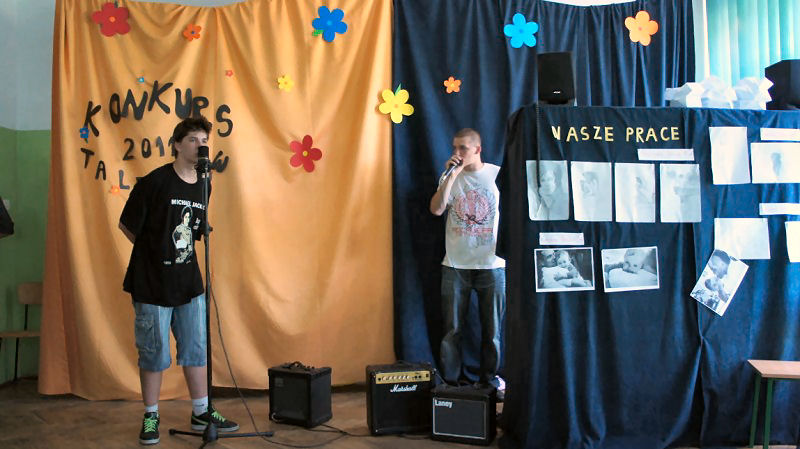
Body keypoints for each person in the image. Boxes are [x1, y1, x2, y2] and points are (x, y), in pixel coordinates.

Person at [119, 116, 238, 445]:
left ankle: (201, 412)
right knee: (154, 353)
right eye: (193, 140)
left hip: (189, 284)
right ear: (177, 145)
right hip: (152, 284)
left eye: (204, 140)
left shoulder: (204, 184)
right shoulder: (155, 182)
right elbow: (127, 225)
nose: (200, 146)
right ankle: (151, 415)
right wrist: (154, 254)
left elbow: (195, 228)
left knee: (196, 349)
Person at [429, 128, 506, 397]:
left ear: (478, 149)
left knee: (492, 331)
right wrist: (451, 176)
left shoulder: (497, 174)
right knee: (451, 330)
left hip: (491, 264)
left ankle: (489, 382)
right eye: (454, 147)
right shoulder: (450, 176)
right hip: (455, 264)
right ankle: (450, 385)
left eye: (463, 148)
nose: (457, 153)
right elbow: (436, 209)